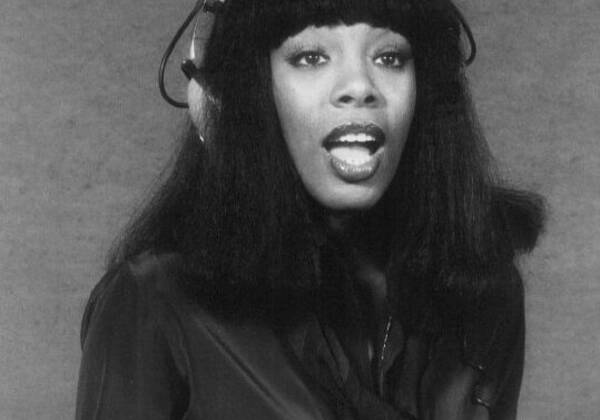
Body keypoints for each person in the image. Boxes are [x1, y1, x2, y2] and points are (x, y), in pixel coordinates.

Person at [75, 0, 545, 419]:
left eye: (389, 57)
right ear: (244, 92)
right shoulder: (154, 302)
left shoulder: (489, 295)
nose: (359, 87)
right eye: (311, 57)